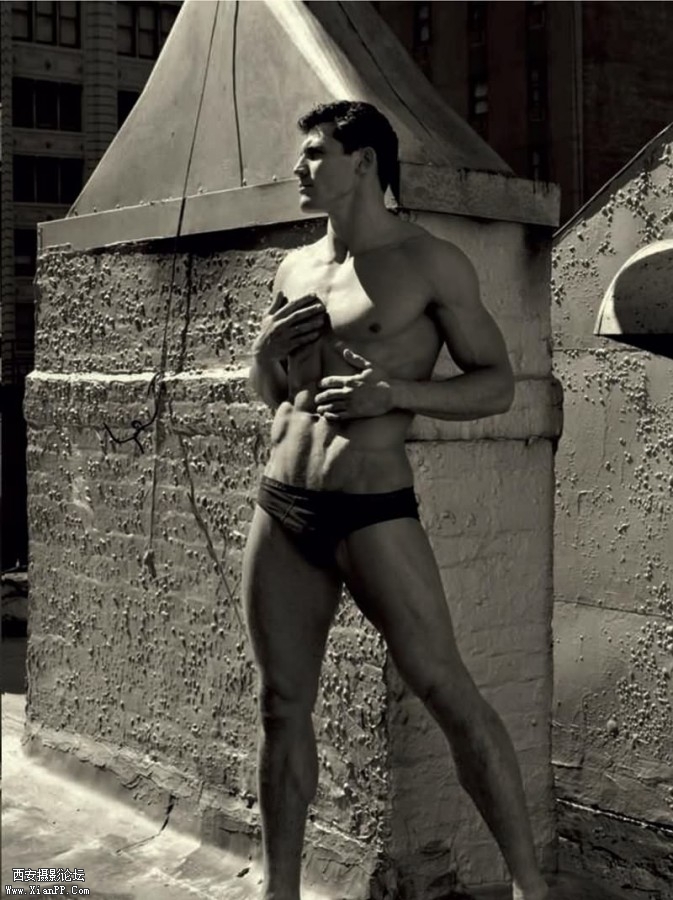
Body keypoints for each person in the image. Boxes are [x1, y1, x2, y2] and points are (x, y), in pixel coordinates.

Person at [243, 100, 551, 900]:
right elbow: (275, 397)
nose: (299, 167)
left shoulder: (428, 262)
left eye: (315, 152)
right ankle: (279, 891)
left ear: (364, 163)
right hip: (283, 504)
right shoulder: (293, 269)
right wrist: (262, 355)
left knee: (446, 687)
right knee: (281, 704)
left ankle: (530, 888)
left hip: (371, 507)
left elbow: (495, 385)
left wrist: (397, 393)